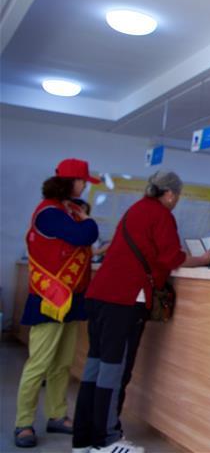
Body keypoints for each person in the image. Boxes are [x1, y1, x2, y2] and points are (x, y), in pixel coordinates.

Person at [72, 171, 210, 453]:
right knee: (114, 371)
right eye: (177, 195)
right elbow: (171, 257)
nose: (176, 200)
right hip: (124, 299)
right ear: (169, 194)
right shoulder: (161, 214)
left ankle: (83, 439)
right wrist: (203, 259)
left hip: (100, 295)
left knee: (95, 369)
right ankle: (106, 440)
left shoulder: (135, 209)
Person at [14, 159, 100, 449]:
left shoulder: (67, 210)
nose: (84, 186)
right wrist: (88, 220)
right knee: (39, 364)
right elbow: (84, 235)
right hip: (49, 299)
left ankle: (57, 415)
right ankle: (23, 423)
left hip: (70, 298)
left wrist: (83, 217)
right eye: (82, 181)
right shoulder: (50, 212)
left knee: (62, 363)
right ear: (69, 182)